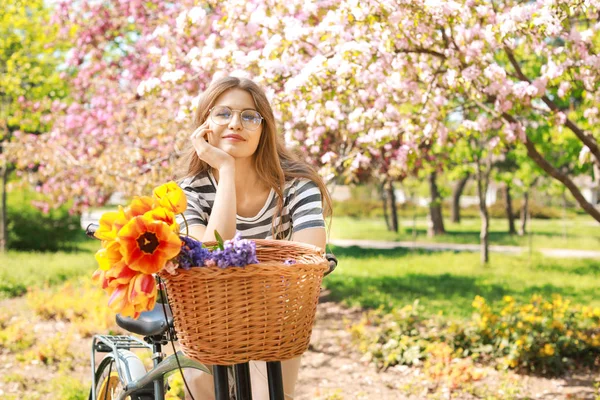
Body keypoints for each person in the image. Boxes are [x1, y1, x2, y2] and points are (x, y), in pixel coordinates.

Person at [176, 75, 333, 400]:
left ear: (264, 128)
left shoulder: (296, 185)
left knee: (270, 396)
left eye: (249, 116)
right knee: (202, 388)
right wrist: (226, 168)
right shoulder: (189, 192)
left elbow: (309, 254)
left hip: (274, 317)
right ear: (204, 124)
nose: (236, 123)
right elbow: (211, 253)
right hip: (208, 316)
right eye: (223, 113)